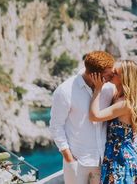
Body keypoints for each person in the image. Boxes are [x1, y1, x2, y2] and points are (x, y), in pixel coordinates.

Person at [49, 51, 116, 184]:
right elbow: (56, 126)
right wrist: (69, 158)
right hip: (78, 161)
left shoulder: (109, 88)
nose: (111, 77)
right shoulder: (65, 91)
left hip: (102, 160)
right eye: (108, 74)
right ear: (95, 75)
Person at [89, 60, 137, 184]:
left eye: (115, 73)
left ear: (125, 79)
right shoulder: (117, 95)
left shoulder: (124, 103)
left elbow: (94, 116)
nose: (111, 74)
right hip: (116, 154)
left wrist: (97, 90)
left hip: (122, 159)